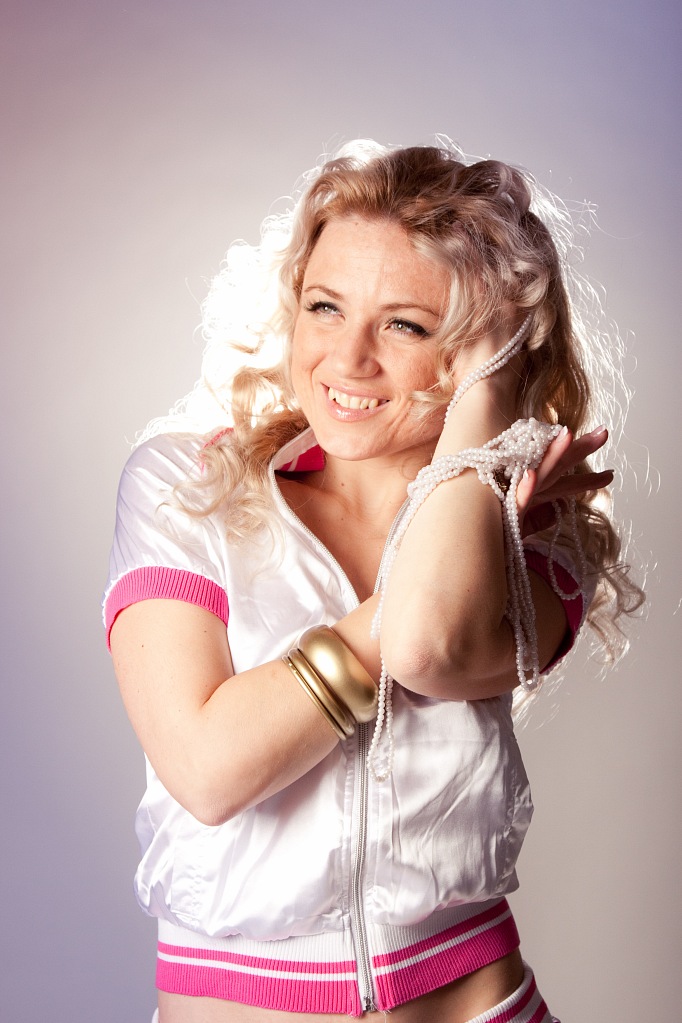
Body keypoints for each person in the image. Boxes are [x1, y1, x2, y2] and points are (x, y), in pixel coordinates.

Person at [104, 141, 642, 1022]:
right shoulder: (185, 488)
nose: (348, 358)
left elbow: (429, 646)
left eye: (407, 325)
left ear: (479, 353)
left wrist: (487, 415)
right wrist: (473, 527)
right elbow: (209, 769)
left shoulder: (544, 530)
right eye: (325, 306)